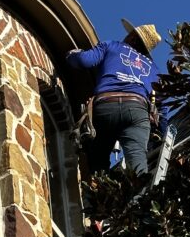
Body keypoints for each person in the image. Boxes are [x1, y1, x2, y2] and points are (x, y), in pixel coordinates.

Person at [67, 19, 164, 174]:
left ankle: (99, 191)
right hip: (137, 110)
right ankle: (140, 196)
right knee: (137, 162)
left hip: (106, 105)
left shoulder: (111, 46)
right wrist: (163, 135)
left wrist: (72, 55)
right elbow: (161, 106)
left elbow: (84, 61)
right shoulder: (153, 69)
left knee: (98, 159)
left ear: (132, 38)